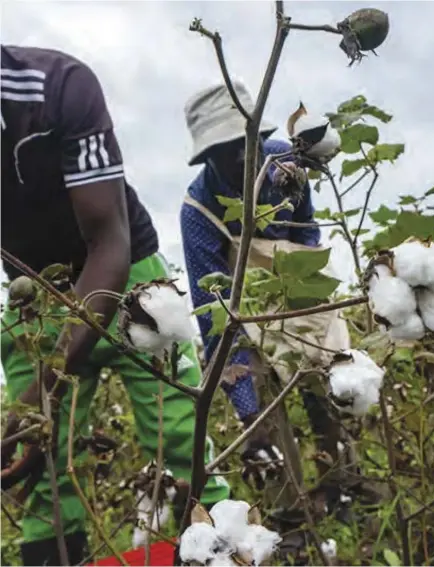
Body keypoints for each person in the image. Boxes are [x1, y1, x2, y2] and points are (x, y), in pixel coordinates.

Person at [0, 45, 229, 566]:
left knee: (180, 438)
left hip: (128, 282)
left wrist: (35, 397)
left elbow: (109, 247)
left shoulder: (57, 88)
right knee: (45, 468)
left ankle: (221, 546)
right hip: (35, 300)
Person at [180, 81, 353, 517]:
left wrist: (302, 292)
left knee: (330, 388)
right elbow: (212, 310)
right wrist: (243, 402)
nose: (240, 155)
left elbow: (307, 232)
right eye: (225, 148)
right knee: (262, 422)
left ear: (259, 133)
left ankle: (345, 494)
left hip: (300, 291)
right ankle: (289, 519)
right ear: (206, 156)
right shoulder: (198, 211)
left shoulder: (288, 163)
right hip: (246, 316)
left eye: (246, 141)